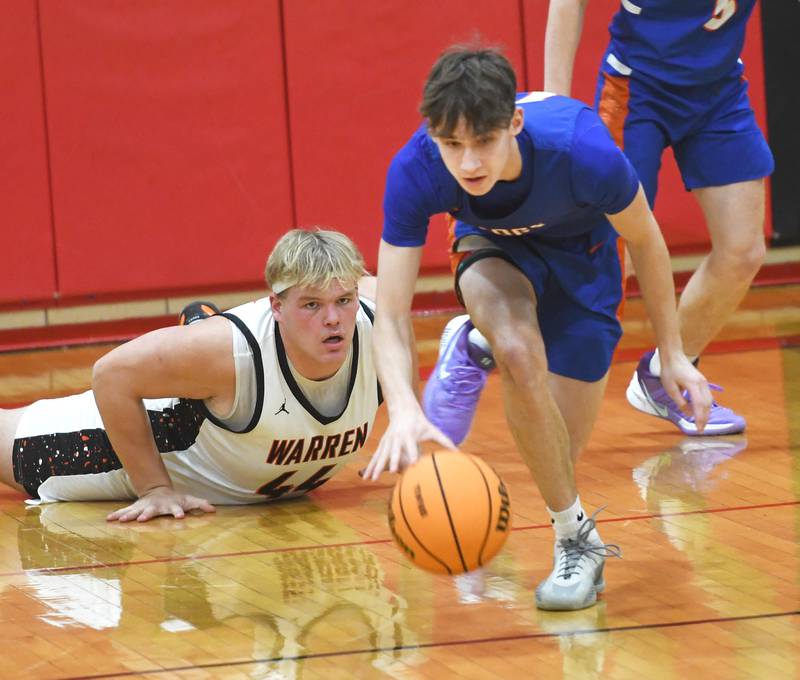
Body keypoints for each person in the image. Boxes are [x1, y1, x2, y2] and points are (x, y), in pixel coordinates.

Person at [362, 45, 711, 611]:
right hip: (493, 251)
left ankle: (477, 345)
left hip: (586, 258)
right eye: (452, 145)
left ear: (514, 123)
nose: (469, 163)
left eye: (483, 142)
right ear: (432, 135)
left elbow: (646, 240)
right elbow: (393, 311)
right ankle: (576, 540)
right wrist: (401, 405)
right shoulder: (416, 169)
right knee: (522, 354)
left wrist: (672, 353)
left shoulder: (581, 148)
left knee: (558, 457)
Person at [0, 229, 381, 522]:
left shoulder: (379, 323)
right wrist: (154, 489)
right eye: (311, 304)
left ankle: (198, 331)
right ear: (276, 306)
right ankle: (200, 334)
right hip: (106, 444)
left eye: (343, 301)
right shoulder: (234, 351)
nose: (332, 318)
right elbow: (110, 374)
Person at [542, 0, 773, 435]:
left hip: (719, 90)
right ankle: (486, 341)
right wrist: (555, 105)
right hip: (638, 89)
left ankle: (662, 376)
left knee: (743, 250)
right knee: (608, 259)